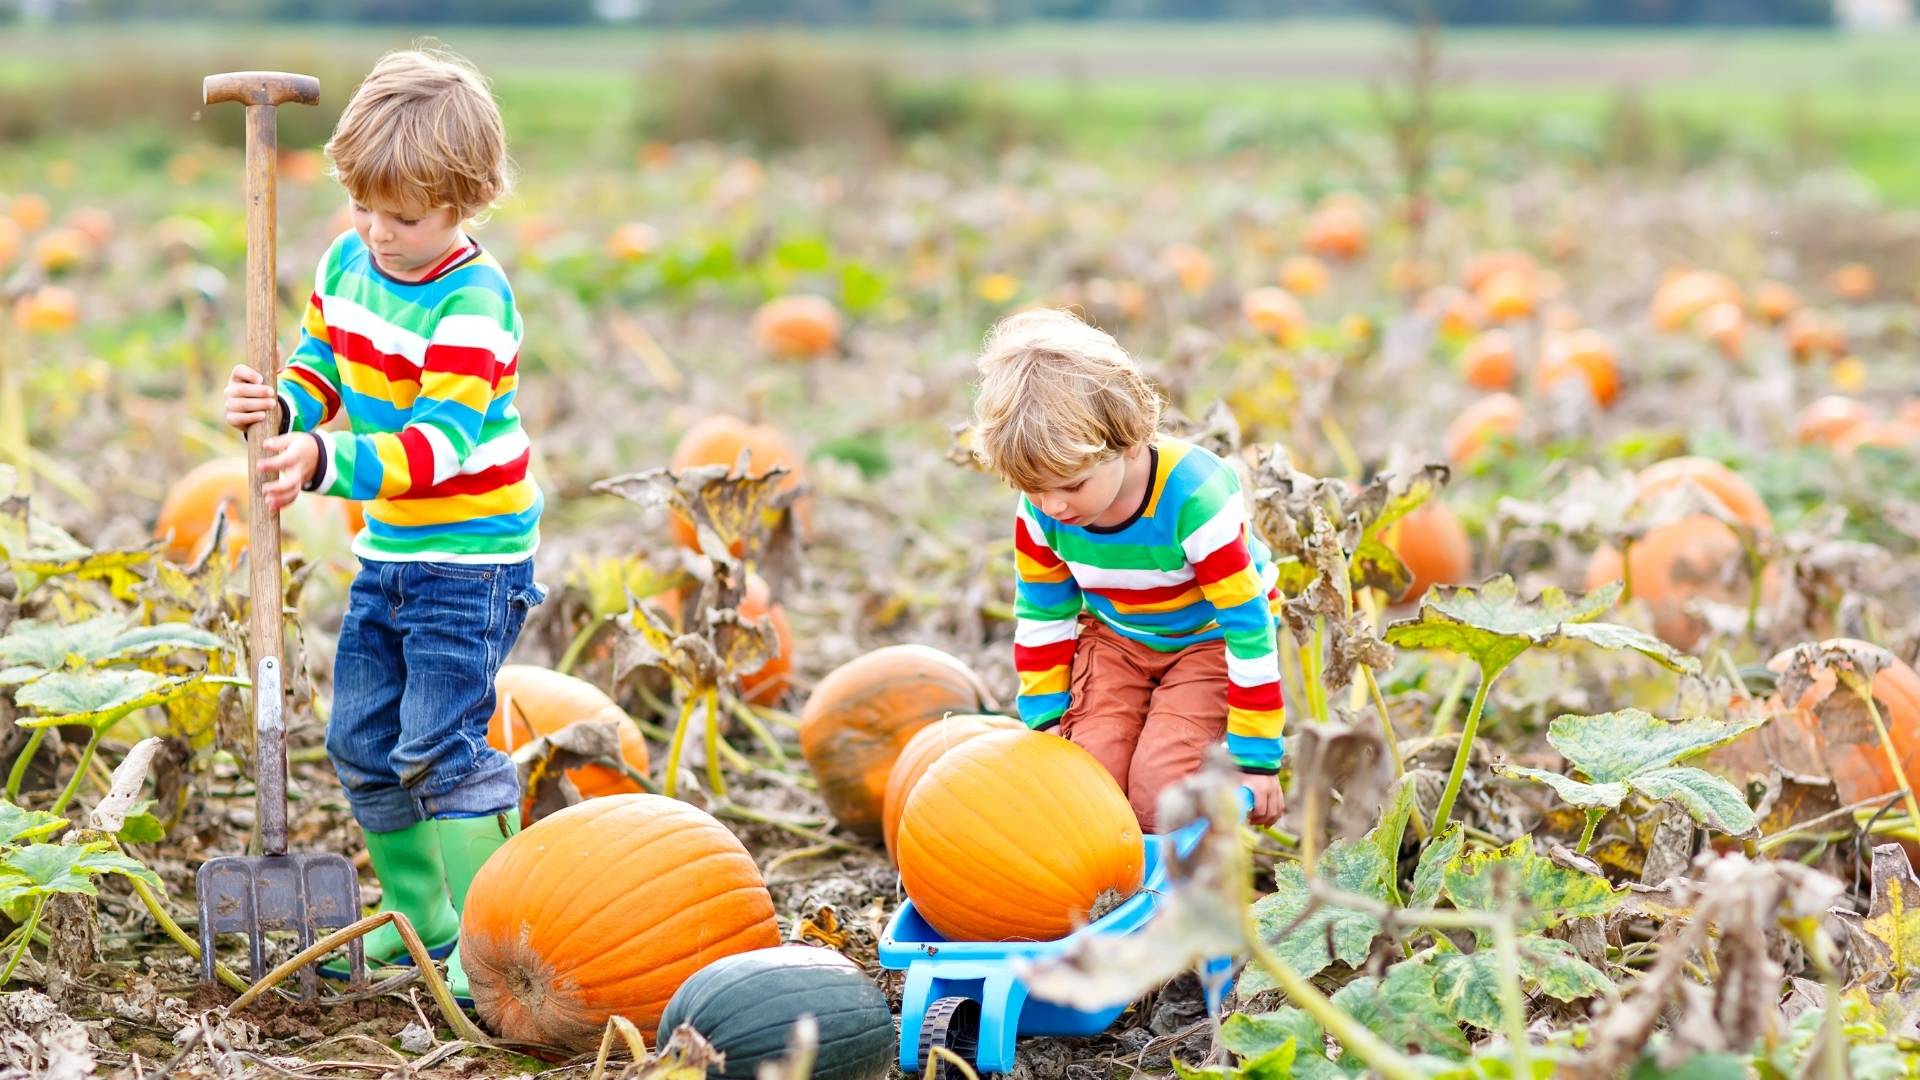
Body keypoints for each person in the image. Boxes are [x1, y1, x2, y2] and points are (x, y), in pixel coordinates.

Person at [222, 46, 543, 1000]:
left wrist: (324, 459)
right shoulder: (350, 259)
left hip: (472, 558)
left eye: (402, 217)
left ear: (465, 201)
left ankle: (497, 931)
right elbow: (326, 357)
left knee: (438, 744)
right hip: (393, 551)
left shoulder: (474, 304)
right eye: (363, 207)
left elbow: (437, 444)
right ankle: (424, 917)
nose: (377, 233)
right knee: (363, 741)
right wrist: (284, 407)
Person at [971, 308, 1285, 831]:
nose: (1054, 506)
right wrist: (1047, 723)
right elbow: (1043, 615)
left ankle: (1190, 863)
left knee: (1158, 795)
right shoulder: (1043, 515)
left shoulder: (1193, 498)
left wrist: (1258, 759)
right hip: (1118, 638)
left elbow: (1247, 624)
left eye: (1072, 486)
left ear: (1131, 442)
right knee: (1088, 782)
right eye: (1033, 489)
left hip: (1207, 642)